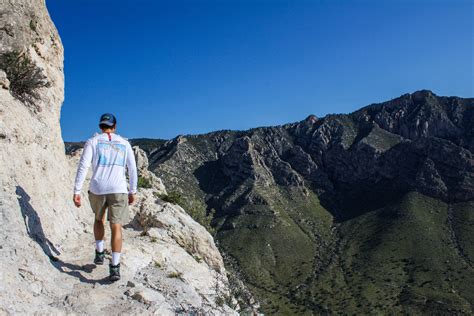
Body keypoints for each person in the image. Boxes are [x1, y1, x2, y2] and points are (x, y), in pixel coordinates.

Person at [72, 113, 138, 281]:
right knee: (116, 226)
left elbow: (83, 166)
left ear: (100, 126)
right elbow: (132, 168)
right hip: (118, 188)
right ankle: (115, 267)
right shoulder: (124, 143)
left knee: (98, 220)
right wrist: (133, 191)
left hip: (98, 187)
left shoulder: (92, 142)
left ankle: (99, 252)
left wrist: (77, 191)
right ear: (114, 126)